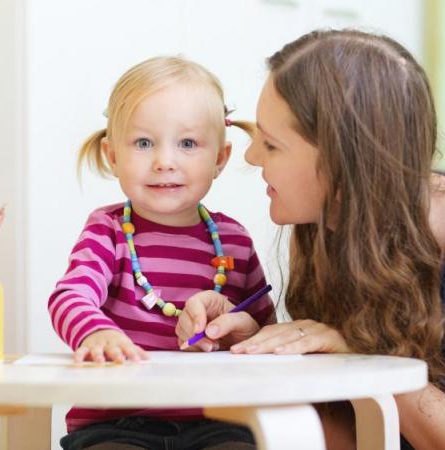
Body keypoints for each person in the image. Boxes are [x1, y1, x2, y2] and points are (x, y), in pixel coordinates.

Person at [177, 30, 445, 449]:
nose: (251, 157)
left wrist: (365, 364)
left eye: (271, 145)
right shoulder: (321, 224)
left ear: (343, 160)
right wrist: (262, 348)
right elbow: (356, 429)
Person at [49, 56, 275, 450]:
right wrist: (97, 332)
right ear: (113, 156)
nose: (164, 162)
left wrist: (244, 336)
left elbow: (266, 336)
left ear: (219, 158)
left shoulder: (234, 240)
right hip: (116, 422)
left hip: (219, 422)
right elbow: (69, 296)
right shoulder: (109, 230)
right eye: (143, 143)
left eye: (187, 143)